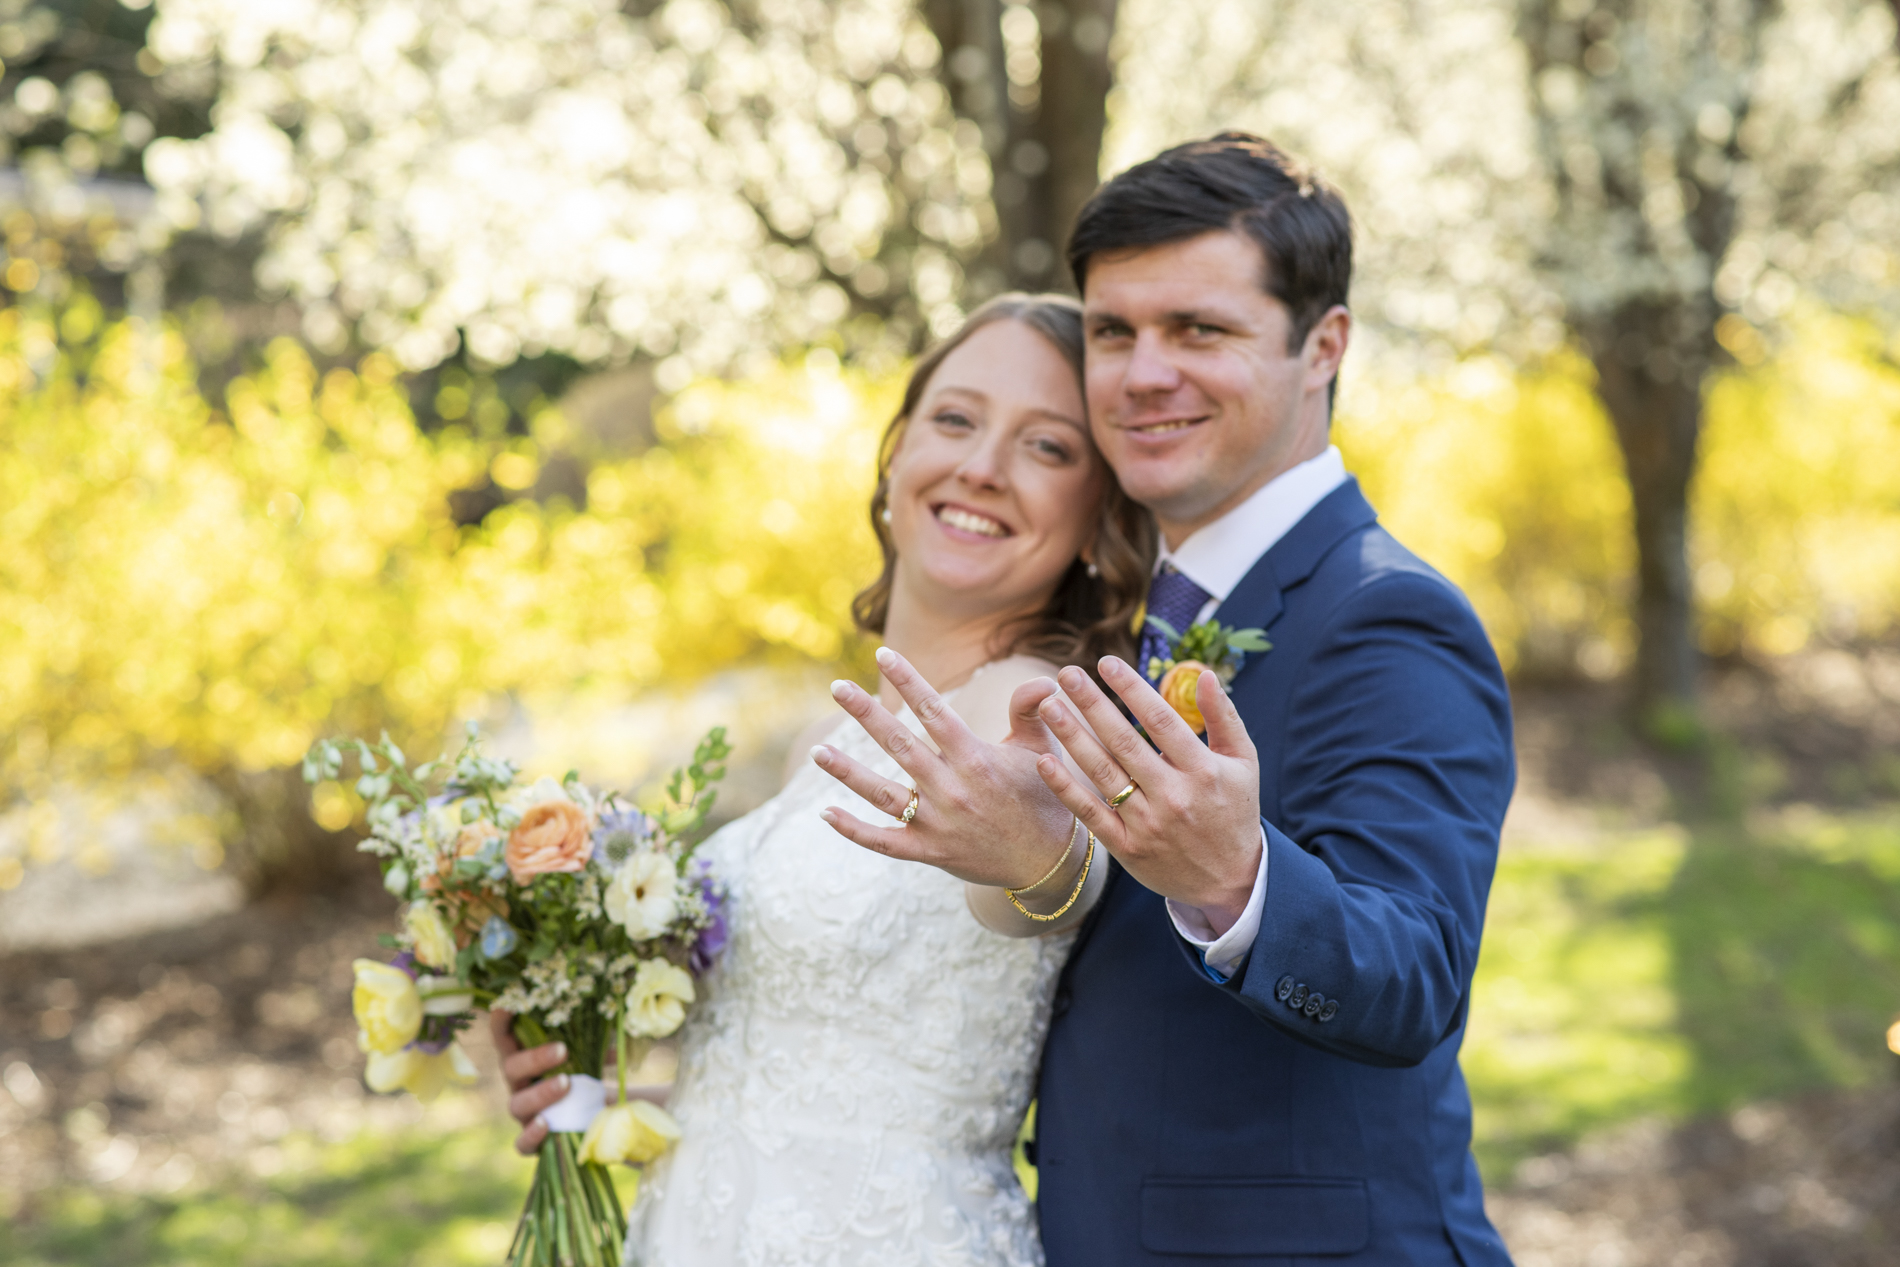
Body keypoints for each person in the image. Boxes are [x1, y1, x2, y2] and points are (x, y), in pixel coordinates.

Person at [815, 134, 1518, 1263]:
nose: (1144, 375)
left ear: (1321, 346)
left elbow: (1416, 972)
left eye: (1199, 329)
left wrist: (1233, 877)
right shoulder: (1112, 621)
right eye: (1113, 332)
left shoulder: (1386, 617)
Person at [493, 293, 1153, 1265]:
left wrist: (1037, 857)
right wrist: (596, 1095)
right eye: (956, 419)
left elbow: (1049, 882)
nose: (981, 465)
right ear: (894, 461)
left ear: (1098, 521)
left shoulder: (1035, 707)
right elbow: (795, 1081)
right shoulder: (822, 734)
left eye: (1047, 448)